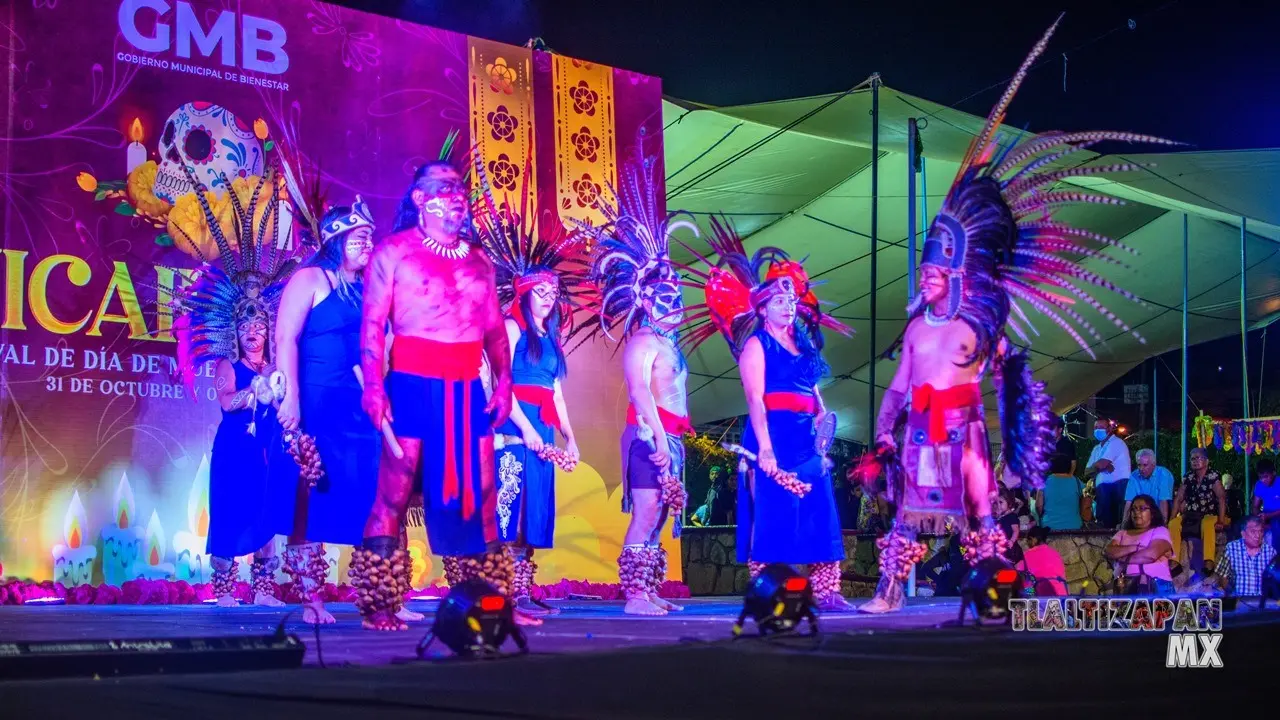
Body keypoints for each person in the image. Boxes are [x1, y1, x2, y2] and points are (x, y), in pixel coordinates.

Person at [854, 17, 1166, 613]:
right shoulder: (918, 327)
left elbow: (1009, 376)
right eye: (922, 272)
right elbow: (898, 384)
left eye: (932, 272)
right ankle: (890, 592)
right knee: (909, 516)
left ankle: (994, 593)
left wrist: (1020, 451)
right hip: (922, 431)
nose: (923, 278)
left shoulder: (977, 325)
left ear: (953, 273)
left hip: (966, 430)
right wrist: (880, 430)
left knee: (977, 510)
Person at [352, 159, 515, 631]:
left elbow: (495, 333)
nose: (456, 195)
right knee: (395, 490)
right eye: (444, 188)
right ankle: (379, 600)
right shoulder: (393, 253)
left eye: (460, 188)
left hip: (466, 388)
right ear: (420, 199)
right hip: (411, 385)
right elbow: (372, 326)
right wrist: (375, 387)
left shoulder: (480, 262)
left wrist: (503, 382)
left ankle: (484, 599)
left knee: (481, 493)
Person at [676, 216, 854, 610]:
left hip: (807, 442)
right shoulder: (756, 346)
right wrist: (768, 452)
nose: (788, 307)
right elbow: (756, 400)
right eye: (779, 301)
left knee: (820, 511)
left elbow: (814, 392)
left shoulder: (804, 345)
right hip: (772, 438)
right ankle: (770, 589)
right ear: (763, 308)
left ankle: (826, 592)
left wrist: (824, 432)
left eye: (791, 301)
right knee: (774, 514)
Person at [171, 163, 298, 608]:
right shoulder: (227, 364)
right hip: (235, 446)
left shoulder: (280, 364)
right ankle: (223, 590)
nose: (253, 333)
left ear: (267, 329)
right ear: (236, 332)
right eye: (246, 326)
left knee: (266, 516)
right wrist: (254, 392)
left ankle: (263, 590)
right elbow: (227, 403)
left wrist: (281, 391)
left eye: (259, 325)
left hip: (269, 443)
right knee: (228, 515)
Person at [576, 157, 690, 616]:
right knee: (646, 511)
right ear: (645, 299)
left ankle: (651, 588)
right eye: (666, 293)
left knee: (662, 513)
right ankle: (636, 596)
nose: (676, 300)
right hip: (649, 437)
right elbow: (643, 396)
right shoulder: (642, 342)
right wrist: (660, 442)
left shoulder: (668, 341)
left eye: (678, 292)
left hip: (671, 436)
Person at [473, 169, 588, 618]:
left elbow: (556, 394)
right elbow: (501, 383)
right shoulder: (511, 327)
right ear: (524, 294)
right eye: (540, 290)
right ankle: (498, 591)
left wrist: (570, 439)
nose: (548, 296)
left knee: (534, 511)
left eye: (553, 291)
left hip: (542, 427)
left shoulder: (551, 340)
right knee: (509, 505)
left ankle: (520, 589)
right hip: (512, 423)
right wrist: (525, 429)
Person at [271, 198, 384, 625]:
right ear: (336, 239)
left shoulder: (366, 289)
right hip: (318, 402)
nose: (367, 244)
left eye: (370, 237)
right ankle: (311, 598)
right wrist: (291, 396)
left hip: (360, 408)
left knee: (369, 496)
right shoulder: (310, 278)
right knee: (312, 493)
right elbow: (285, 338)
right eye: (358, 238)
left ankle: (377, 594)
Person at [1105, 494, 1176, 594]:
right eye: (1133, 509)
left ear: (1152, 513)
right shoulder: (1122, 533)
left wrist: (1122, 557)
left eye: (1142, 508)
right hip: (1126, 586)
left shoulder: (1160, 531)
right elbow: (1109, 551)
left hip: (1157, 586)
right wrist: (1136, 547)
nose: (1136, 512)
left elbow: (1150, 555)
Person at [1173, 447, 1227, 573]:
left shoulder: (1213, 476)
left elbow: (1222, 499)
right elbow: (1178, 498)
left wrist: (1221, 521)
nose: (1195, 461)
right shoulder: (1188, 477)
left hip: (1210, 513)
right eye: (1192, 459)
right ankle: (1174, 562)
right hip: (1191, 514)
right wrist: (1171, 518)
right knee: (1173, 524)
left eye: (1198, 458)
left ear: (1206, 461)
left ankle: (1208, 561)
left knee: (1207, 524)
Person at [1085, 418, 1131, 528]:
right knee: (1103, 518)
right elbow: (1086, 471)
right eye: (1096, 428)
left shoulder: (1116, 443)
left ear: (1110, 429)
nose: (1098, 430)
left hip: (1119, 486)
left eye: (1101, 427)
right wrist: (1102, 465)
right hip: (1102, 489)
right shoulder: (1096, 449)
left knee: (1114, 520)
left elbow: (1100, 465)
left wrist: (1099, 466)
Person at [1216, 515, 1277, 597]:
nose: (1258, 535)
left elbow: (1276, 580)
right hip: (1238, 600)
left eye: (1260, 531)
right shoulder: (1231, 548)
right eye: (1253, 532)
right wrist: (1231, 595)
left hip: (1262, 603)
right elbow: (1222, 575)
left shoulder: (1270, 552)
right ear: (1243, 534)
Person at [1038, 421, 1083, 530]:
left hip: (1049, 525)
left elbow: (1073, 463)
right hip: (1075, 525)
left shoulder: (1067, 444)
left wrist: (1068, 477)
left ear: (1060, 430)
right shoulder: (1047, 444)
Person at [1123, 448, 1174, 520]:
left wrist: (1163, 525)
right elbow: (1129, 502)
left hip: (1158, 514)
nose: (1141, 469)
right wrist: (1124, 525)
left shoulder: (1164, 474)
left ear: (1153, 465)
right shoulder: (1134, 475)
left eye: (1145, 465)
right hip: (1140, 515)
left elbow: (1163, 502)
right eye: (1139, 465)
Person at [1017, 526, 1068, 596]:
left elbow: (1019, 575)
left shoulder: (1028, 555)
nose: (1027, 544)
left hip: (1040, 595)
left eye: (1028, 541)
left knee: (1019, 592)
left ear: (1034, 540)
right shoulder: (1055, 553)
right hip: (1061, 595)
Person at [1252, 458, 1280, 554]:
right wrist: (1260, 515)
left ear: (1274, 473)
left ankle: (1276, 557)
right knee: (1247, 524)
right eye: (1261, 477)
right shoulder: (1259, 485)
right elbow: (1255, 506)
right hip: (1266, 514)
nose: (1263, 480)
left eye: (1266, 476)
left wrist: (1268, 516)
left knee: (1276, 525)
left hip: (1277, 515)